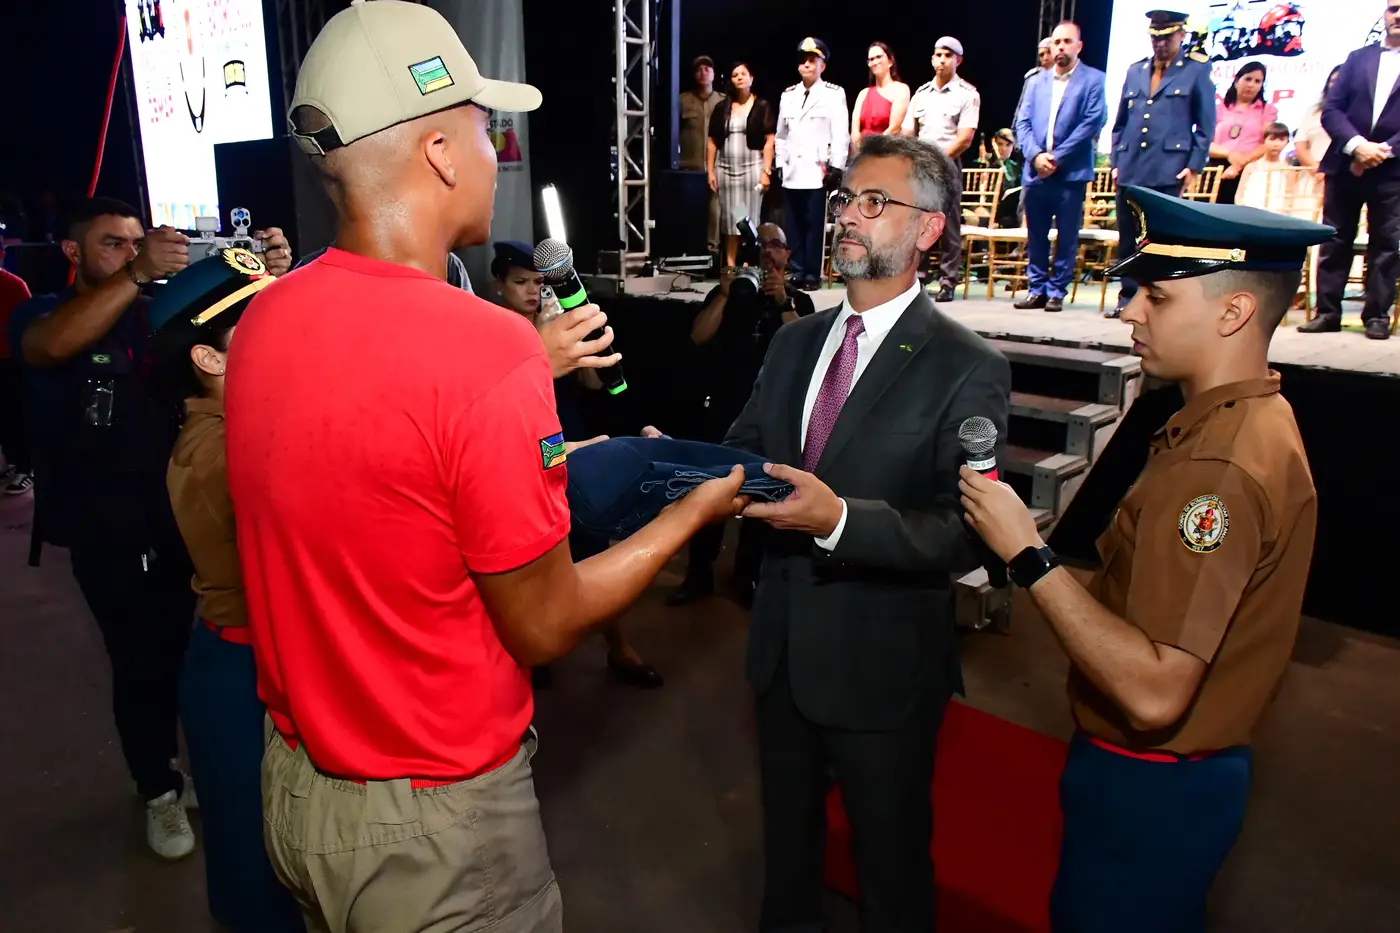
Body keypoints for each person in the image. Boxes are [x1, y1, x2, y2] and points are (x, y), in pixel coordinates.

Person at [224, 4, 746, 931]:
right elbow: (545, 623)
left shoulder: (265, 319)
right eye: (482, 124)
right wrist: (691, 514)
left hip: (296, 792)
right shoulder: (485, 348)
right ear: (437, 152)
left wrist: (552, 449)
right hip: (432, 830)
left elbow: (383, 487)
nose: (490, 145)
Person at [960, 185, 1328, 933]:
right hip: (1173, 780)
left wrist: (1027, 553)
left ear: (1233, 312)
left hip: (1151, 788)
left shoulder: (1219, 468)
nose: (1129, 311)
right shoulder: (1248, 418)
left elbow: (1157, 692)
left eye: (1156, 296)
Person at [724, 132, 1011, 932]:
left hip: (884, 675)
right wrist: (683, 468)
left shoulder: (966, 364)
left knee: (890, 870)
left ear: (928, 229)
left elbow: (968, 531)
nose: (847, 216)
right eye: (846, 198)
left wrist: (841, 521)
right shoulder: (794, 340)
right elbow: (745, 451)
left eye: (874, 202)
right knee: (788, 860)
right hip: (781, 656)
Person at [7, 197, 291, 860]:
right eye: (114, 243)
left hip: (187, 517)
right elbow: (48, 348)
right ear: (73, 252)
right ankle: (158, 786)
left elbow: (243, 337)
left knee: (209, 647)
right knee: (140, 662)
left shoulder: (156, 313)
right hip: (110, 529)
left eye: (138, 242)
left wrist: (270, 273)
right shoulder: (45, 313)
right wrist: (135, 273)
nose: (132, 254)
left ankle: (205, 762)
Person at [150, 251, 305, 933]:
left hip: (266, 659)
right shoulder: (217, 452)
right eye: (260, 325)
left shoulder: (249, 424)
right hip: (246, 671)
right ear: (209, 359)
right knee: (257, 867)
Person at [490, 240, 663, 688]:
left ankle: (618, 647)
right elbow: (499, 426)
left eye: (538, 283)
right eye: (521, 282)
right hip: (529, 463)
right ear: (499, 285)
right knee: (529, 569)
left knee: (593, 553)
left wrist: (584, 343)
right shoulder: (492, 337)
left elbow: (593, 383)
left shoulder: (556, 326)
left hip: (573, 453)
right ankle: (529, 655)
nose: (532, 291)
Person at [667, 222, 814, 607]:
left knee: (761, 496)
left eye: (775, 244)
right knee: (709, 490)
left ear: (787, 254)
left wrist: (783, 302)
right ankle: (698, 573)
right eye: (760, 244)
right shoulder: (729, 292)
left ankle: (747, 576)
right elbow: (698, 336)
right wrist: (724, 294)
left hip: (771, 414)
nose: (766, 250)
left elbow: (807, 353)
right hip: (722, 409)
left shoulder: (799, 300)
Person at [1301, 1, 1400, 340]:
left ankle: (1377, 317)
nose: (1398, 15)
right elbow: (1331, 110)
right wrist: (1357, 146)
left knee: (1386, 243)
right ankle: (1327, 313)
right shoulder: (1358, 58)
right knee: (1334, 238)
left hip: (1392, 169)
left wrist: (1380, 152)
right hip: (1345, 163)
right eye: (1394, 8)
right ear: (1384, 13)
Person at [1108, 9, 1216, 317]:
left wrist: (1193, 165)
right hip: (1130, 166)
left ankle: (1158, 300)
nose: (1161, 44)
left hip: (1168, 167)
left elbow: (1205, 125)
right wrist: (1116, 160)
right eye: (1156, 37)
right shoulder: (1135, 70)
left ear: (1181, 35)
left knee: (1160, 240)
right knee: (1128, 238)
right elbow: (1120, 123)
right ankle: (1128, 297)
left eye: (1167, 37)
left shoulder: (1195, 71)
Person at [1013, 21, 1107, 312]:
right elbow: (1022, 123)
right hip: (1036, 171)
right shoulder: (1035, 82)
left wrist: (1055, 158)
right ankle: (1037, 288)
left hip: (1070, 172)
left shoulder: (1093, 79)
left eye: (1067, 41)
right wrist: (1036, 156)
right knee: (1036, 234)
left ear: (1079, 46)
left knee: (1067, 235)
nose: (1061, 47)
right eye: (1057, 42)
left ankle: (1056, 291)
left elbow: (1091, 123)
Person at [901, 36, 980, 301]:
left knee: (949, 226)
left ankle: (948, 281)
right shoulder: (921, 94)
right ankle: (918, 278)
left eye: (947, 56)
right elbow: (908, 131)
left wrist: (936, 161)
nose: (941, 60)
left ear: (958, 60)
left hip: (947, 165)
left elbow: (965, 138)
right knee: (918, 223)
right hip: (921, 166)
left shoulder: (967, 94)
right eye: (937, 55)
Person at [776, 37, 849, 290]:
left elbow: (840, 133)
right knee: (793, 224)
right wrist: (779, 162)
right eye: (802, 61)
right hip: (792, 170)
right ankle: (797, 271)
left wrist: (837, 165)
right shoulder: (788, 95)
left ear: (822, 65)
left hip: (817, 170)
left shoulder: (833, 94)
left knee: (813, 224)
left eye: (812, 60)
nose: (806, 65)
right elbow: (781, 134)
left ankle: (811, 273)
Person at [708, 62, 777, 268]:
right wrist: (710, 171)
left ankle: (749, 265)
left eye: (743, 74)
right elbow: (712, 142)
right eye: (735, 74)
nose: (739, 77)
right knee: (731, 218)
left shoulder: (761, 106)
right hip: (726, 170)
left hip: (752, 169)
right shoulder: (722, 107)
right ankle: (730, 266)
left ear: (751, 78)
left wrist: (766, 171)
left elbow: (770, 141)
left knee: (749, 218)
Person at [1208, 61, 1278, 205]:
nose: (1251, 85)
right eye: (1248, 79)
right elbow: (1205, 143)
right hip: (1217, 168)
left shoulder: (1267, 110)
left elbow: (1267, 143)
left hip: (1251, 169)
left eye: (1257, 81)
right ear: (1236, 81)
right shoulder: (1219, 108)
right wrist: (1229, 154)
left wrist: (1239, 164)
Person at [0, 229, 32, 494]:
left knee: (14, 416)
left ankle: (25, 468)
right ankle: (12, 463)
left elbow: (27, 329)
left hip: (9, 362)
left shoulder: (14, 286)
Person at [679, 55, 723, 252]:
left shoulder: (723, 101)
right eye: (699, 69)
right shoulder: (682, 100)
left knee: (715, 211)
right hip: (690, 164)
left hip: (717, 165)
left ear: (713, 74)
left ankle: (713, 250)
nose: (703, 73)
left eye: (707, 69)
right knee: (689, 209)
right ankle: (689, 250)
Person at [851, 42, 910, 154]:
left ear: (890, 62)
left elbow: (894, 128)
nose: (875, 62)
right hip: (862, 154)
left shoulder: (901, 89)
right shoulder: (863, 93)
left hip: (887, 152)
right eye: (871, 59)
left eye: (879, 57)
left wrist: (873, 151)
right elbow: (855, 130)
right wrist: (858, 152)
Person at [1234, 122, 1300, 210]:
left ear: (1287, 142)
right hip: (1248, 212)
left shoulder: (1288, 170)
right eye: (1272, 139)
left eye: (1281, 140)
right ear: (1264, 140)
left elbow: (1289, 198)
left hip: (1275, 214)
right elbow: (1239, 195)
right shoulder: (1251, 167)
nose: (1276, 144)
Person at [1293, 65, 1342, 172]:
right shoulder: (1313, 111)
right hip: (1311, 173)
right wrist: (1318, 170)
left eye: (1340, 81)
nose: (1335, 85)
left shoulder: (1358, 112)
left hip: (1342, 175)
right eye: (1332, 81)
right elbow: (1300, 145)